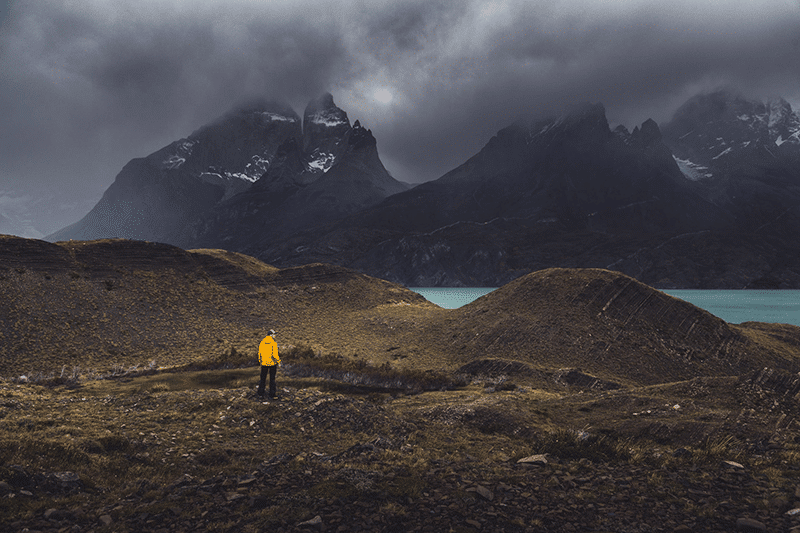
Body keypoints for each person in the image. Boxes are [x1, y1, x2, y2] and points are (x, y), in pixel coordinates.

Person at [257, 329, 281, 399]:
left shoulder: (262, 342)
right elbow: (275, 354)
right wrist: (279, 362)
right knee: (272, 379)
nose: (275, 336)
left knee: (262, 379)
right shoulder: (273, 343)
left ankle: (260, 393)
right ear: (271, 335)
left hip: (264, 363)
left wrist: (260, 361)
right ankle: (272, 394)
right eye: (274, 334)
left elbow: (259, 353)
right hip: (272, 364)